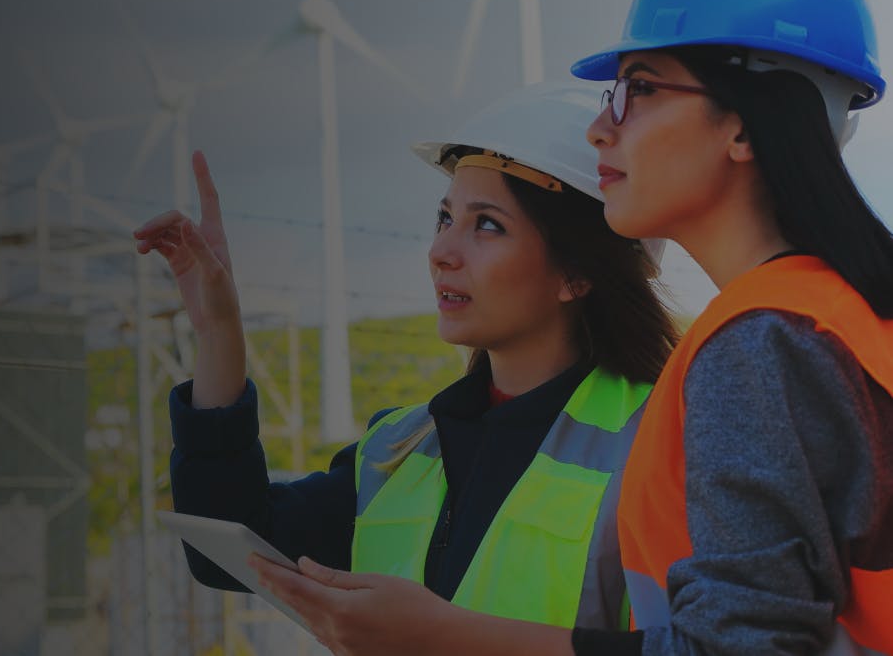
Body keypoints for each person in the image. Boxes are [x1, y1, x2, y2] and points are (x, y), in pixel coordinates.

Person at [251, 0, 893, 654]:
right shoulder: (836, 316)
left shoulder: (761, 343)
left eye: (639, 90)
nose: (597, 129)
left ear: (740, 126)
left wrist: (446, 636)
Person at [134, 82, 678, 633]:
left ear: (577, 273)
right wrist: (218, 332)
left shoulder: (662, 446)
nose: (441, 252)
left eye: (487, 225)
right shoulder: (396, 453)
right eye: (446, 218)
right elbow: (228, 546)